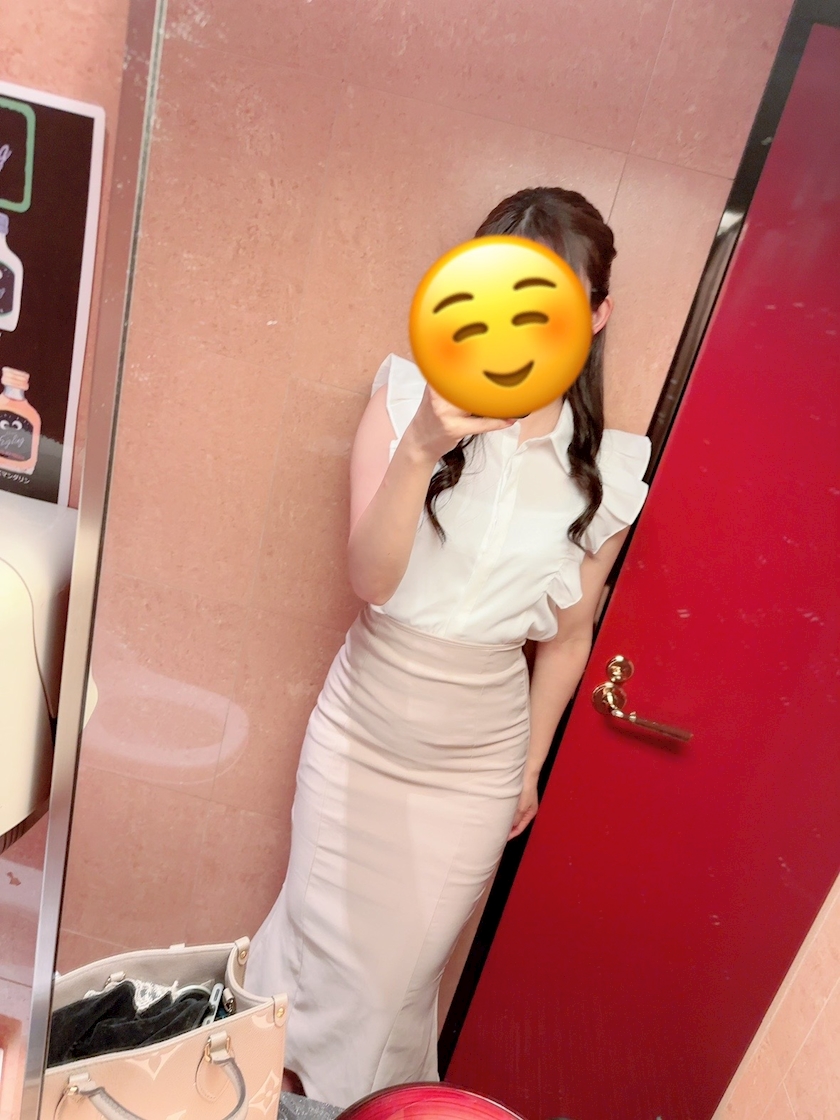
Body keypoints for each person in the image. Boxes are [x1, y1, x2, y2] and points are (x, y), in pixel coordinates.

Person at [246, 187, 651, 1107]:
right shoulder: (403, 400)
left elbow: (568, 637)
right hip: (360, 733)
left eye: (550, 300)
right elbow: (370, 580)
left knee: (392, 989)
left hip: (474, 768)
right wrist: (422, 447)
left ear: (595, 315)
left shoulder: (606, 469)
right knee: (310, 961)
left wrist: (528, 768)